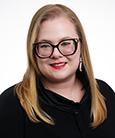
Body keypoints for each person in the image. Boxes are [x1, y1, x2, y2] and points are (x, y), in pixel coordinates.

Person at [0, 4, 115, 138]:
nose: (55, 54)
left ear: (81, 46)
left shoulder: (104, 93)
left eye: (66, 43)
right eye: (45, 45)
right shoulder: (11, 104)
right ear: (33, 52)